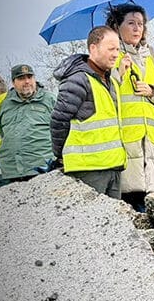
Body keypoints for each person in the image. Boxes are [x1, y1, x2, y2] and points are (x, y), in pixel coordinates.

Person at [105, 4, 154, 210]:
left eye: (141, 24)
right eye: (131, 23)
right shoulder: (110, 57)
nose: (137, 28)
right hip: (125, 144)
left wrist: (153, 90)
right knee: (130, 205)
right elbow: (103, 97)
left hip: (151, 144)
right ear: (116, 26)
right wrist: (118, 73)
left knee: (150, 204)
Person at [51, 26, 127, 198]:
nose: (116, 54)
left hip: (113, 167)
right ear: (93, 48)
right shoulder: (78, 80)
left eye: (117, 49)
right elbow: (58, 121)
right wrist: (61, 156)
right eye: (111, 49)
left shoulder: (111, 82)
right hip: (88, 171)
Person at [0, 64, 56, 181]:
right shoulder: (5, 105)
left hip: (43, 169)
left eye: (30, 77)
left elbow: (63, 130)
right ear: (13, 82)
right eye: (21, 78)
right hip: (12, 171)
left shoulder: (50, 100)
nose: (27, 81)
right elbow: (2, 132)